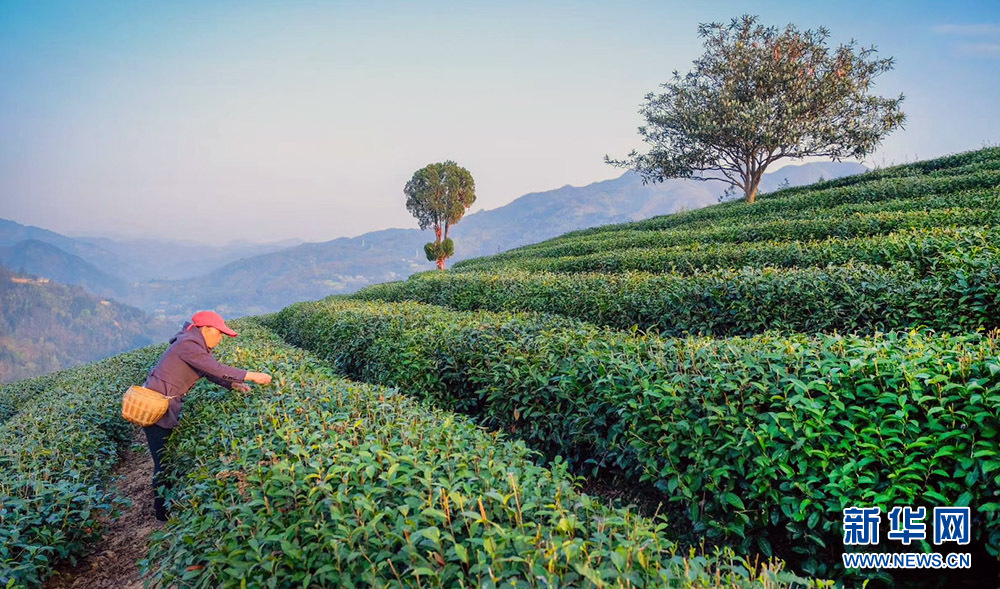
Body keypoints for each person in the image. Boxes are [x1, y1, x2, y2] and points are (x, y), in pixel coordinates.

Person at [142, 310, 272, 521]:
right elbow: (215, 368)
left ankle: (166, 505)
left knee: (165, 458)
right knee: (162, 462)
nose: (220, 339)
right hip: (156, 409)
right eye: (219, 334)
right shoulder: (188, 345)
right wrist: (251, 376)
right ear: (206, 329)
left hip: (166, 408)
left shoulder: (193, 344)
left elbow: (208, 372)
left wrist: (233, 384)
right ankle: (162, 513)